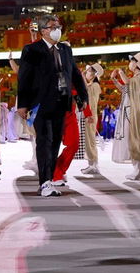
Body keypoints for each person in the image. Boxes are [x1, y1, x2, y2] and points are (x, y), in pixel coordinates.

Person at [17, 14, 88, 198]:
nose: (57, 29)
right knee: (44, 141)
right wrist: (23, 104)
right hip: (40, 104)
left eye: (58, 26)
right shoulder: (32, 50)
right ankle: (44, 182)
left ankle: (50, 178)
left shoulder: (65, 49)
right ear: (43, 31)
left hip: (61, 102)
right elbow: (24, 78)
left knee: (55, 142)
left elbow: (75, 74)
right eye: (53, 26)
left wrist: (83, 96)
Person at [111, 53, 140, 180]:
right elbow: (124, 88)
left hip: (136, 113)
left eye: (132, 61)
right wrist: (114, 80)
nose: (130, 64)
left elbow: (127, 82)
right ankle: (137, 169)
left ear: (137, 63)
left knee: (136, 140)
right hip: (131, 112)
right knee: (132, 139)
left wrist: (121, 73)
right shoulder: (135, 78)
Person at [78, 64, 103, 176]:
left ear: (93, 74)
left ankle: (94, 165)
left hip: (90, 116)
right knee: (87, 141)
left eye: (88, 71)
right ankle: (91, 164)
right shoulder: (92, 85)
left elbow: (91, 102)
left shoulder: (95, 86)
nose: (86, 72)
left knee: (90, 141)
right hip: (87, 115)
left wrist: (89, 116)